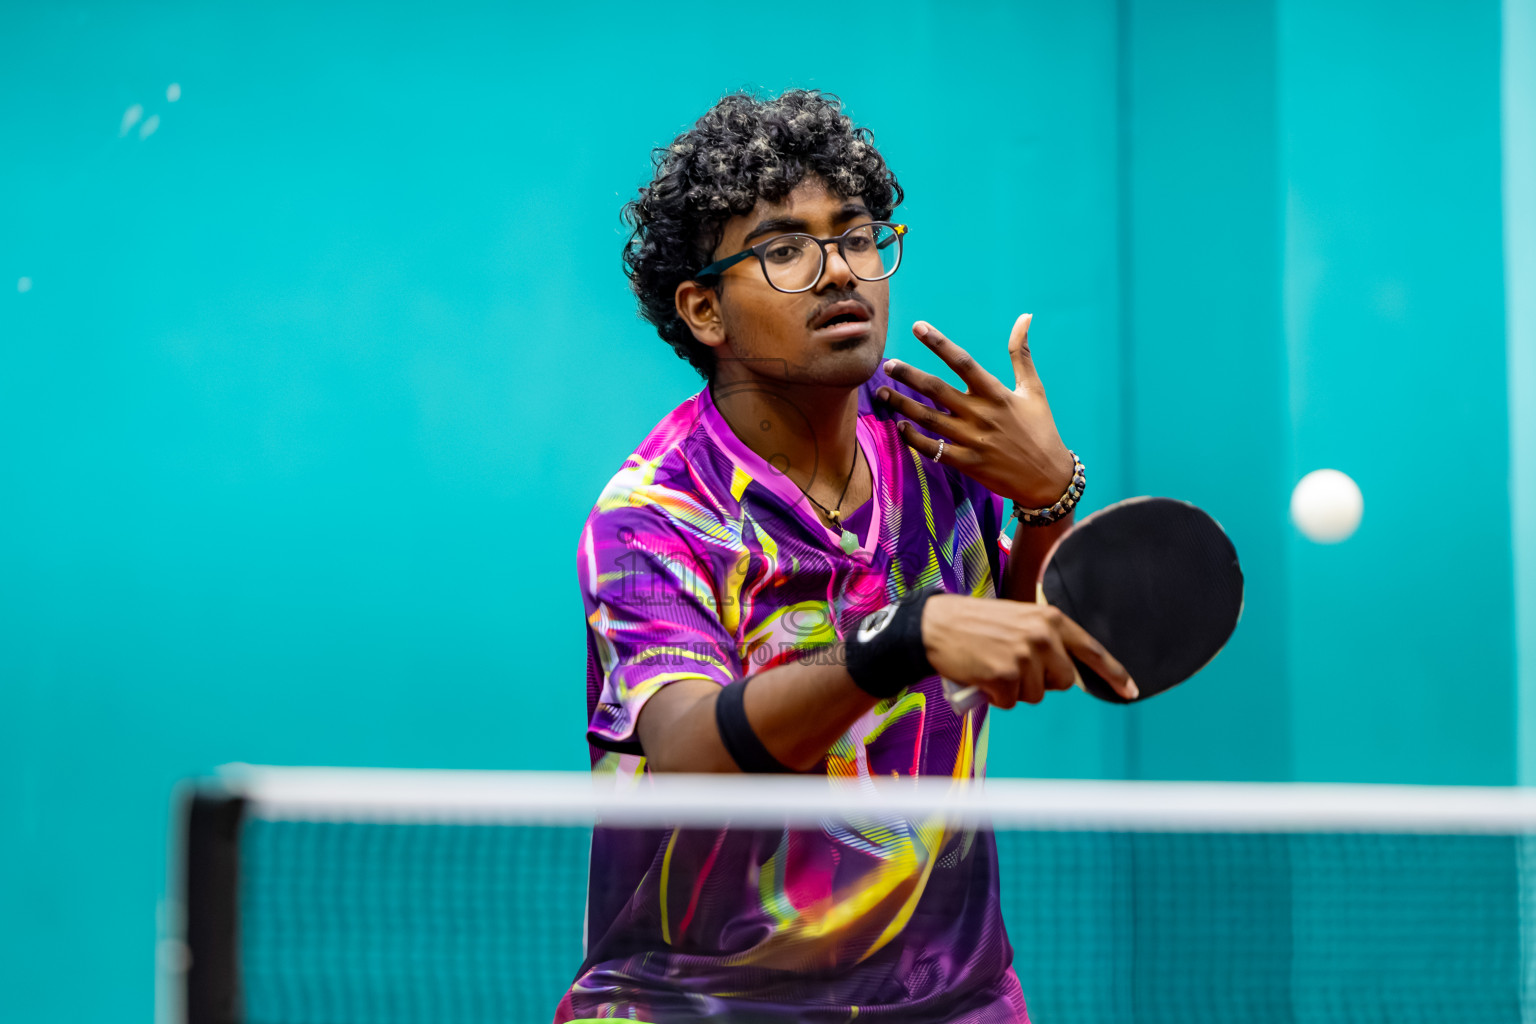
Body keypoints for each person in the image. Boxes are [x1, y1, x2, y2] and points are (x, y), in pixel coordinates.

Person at [556, 90, 1135, 1024]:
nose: (839, 274)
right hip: (701, 1003)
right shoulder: (658, 515)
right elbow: (693, 750)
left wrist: (1045, 496)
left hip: (949, 996)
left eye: (859, 237)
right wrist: (902, 636)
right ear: (704, 309)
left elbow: (1023, 650)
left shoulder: (938, 446)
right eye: (784, 249)